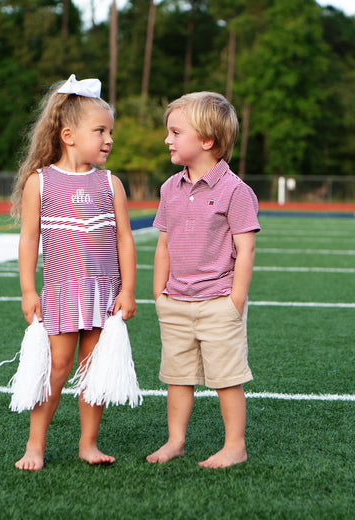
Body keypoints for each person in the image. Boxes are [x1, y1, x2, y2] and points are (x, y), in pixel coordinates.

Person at [10, 75, 136, 471]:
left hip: (104, 293)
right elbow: (29, 240)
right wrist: (29, 290)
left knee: (94, 370)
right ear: (68, 135)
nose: (109, 139)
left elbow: (125, 240)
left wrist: (128, 290)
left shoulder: (110, 183)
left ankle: (88, 443)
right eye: (100, 131)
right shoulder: (41, 182)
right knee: (57, 368)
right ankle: (35, 445)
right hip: (62, 293)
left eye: (110, 131)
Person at [146, 91, 260, 469]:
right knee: (177, 377)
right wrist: (158, 292)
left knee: (227, 379)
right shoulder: (168, 189)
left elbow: (246, 250)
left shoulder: (236, 191)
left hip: (218, 302)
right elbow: (163, 244)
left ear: (207, 141)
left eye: (176, 132)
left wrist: (235, 302)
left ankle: (234, 446)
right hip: (175, 300)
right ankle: (176, 441)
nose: (168, 139)